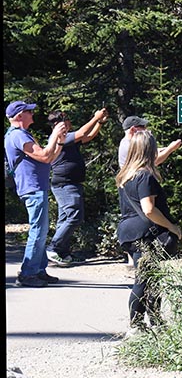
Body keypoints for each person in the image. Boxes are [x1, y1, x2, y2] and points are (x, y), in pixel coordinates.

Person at [115, 129, 182, 332]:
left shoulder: (126, 176)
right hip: (145, 234)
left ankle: (154, 321)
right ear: (149, 149)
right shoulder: (145, 176)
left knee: (150, 277)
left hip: (129, 231)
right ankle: (136, 325)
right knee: (145, 279)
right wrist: (171, 227)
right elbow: (149, 209)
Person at [5, 100, 69, 287]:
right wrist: (54, 135)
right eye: (28, 112)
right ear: (19, 116)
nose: (32, 114)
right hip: (32, 188)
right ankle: (28, 273)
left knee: (40, 230)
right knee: (37, 230)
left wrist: (59, 141)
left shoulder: (22, 134)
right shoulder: (17, 135)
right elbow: (43, 155)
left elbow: (49, 158)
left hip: (35, 187)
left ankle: (39, 270)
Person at [45, 107, 109, 264]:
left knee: (65, 218)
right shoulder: (60, 137)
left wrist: (99, 122)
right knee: (75, 217)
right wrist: (95, 117)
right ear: (58, 123)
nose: (69, 122)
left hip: (70, 184)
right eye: (66, 119)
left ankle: (62, 253)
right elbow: (81, 132)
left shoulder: (67, 138)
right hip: (65, 184)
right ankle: (53, 248)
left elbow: (88, 136)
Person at [117, 115, 182, 168]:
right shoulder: (130, 146)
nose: (146, 129)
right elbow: (153, 162)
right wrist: (170, 149)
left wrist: (162, 149)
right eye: (143, 127)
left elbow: (147, 154)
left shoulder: (126, 142)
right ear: (133, 129)